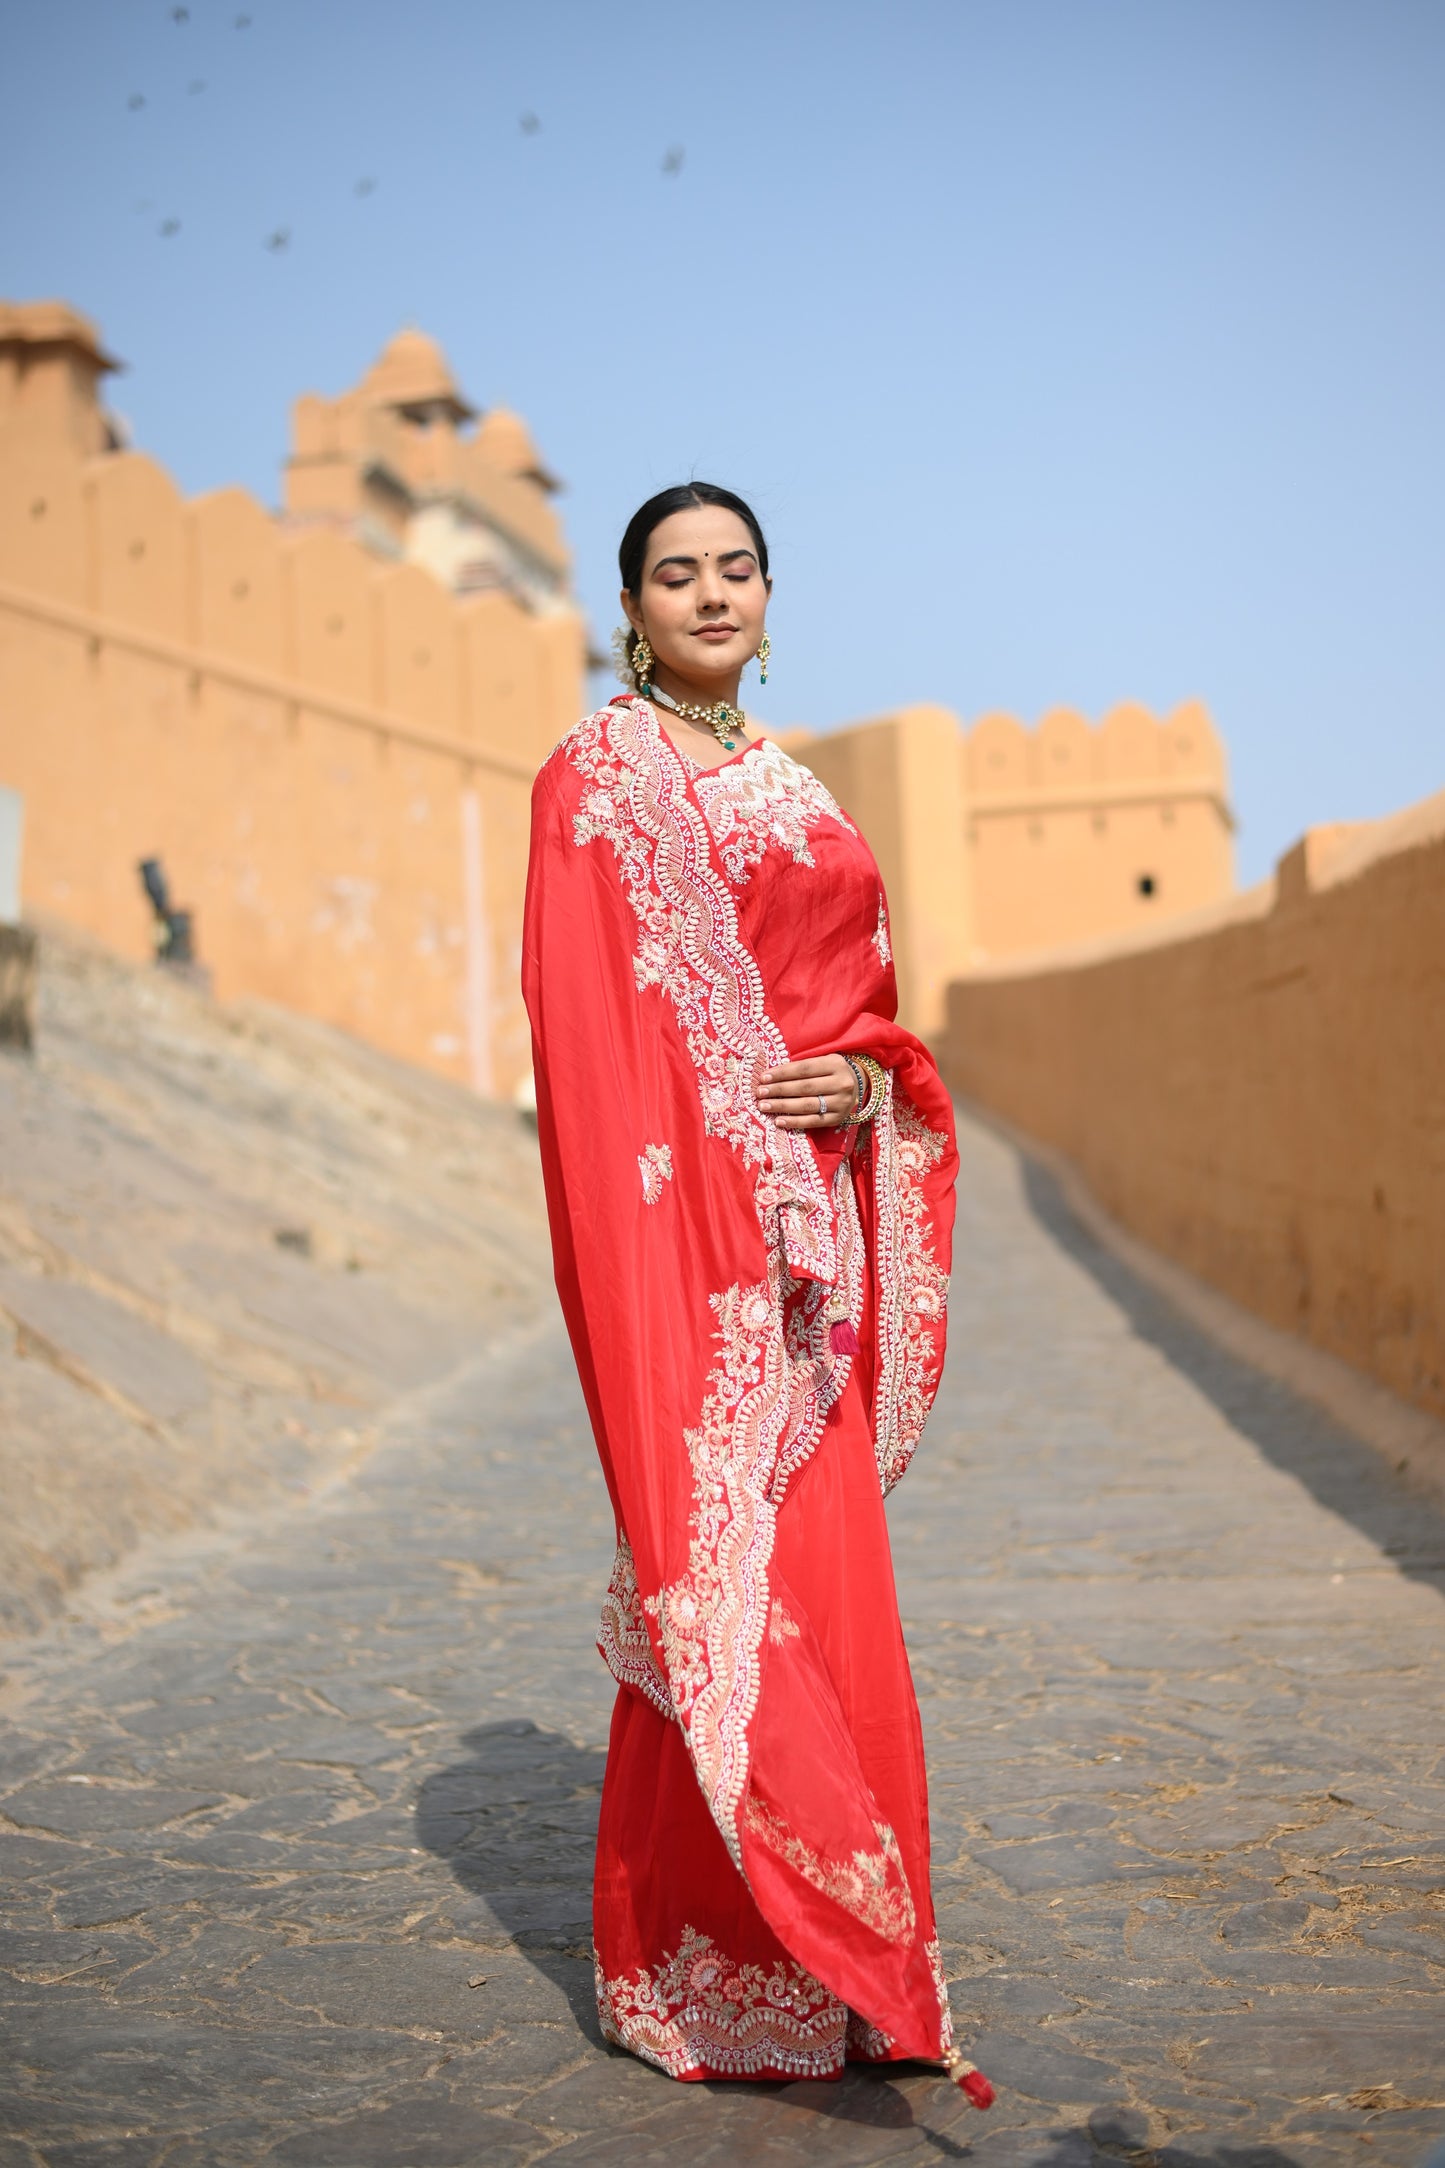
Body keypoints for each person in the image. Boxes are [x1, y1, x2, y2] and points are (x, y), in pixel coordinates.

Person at [521, 483, 992, 2105]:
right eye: (674, 573)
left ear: (770, 598)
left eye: (734, 569)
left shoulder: (797, 787)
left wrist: (863, 1091)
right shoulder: (596, 782)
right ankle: (713, 1967)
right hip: (712, 1265)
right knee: (722, 1583)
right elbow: (594, 1045)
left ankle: (856, 1973)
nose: (708, 593)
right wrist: (723, 1198)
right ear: (629, 607)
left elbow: (856, 1009)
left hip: (819, 1260)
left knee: (828, 1603)